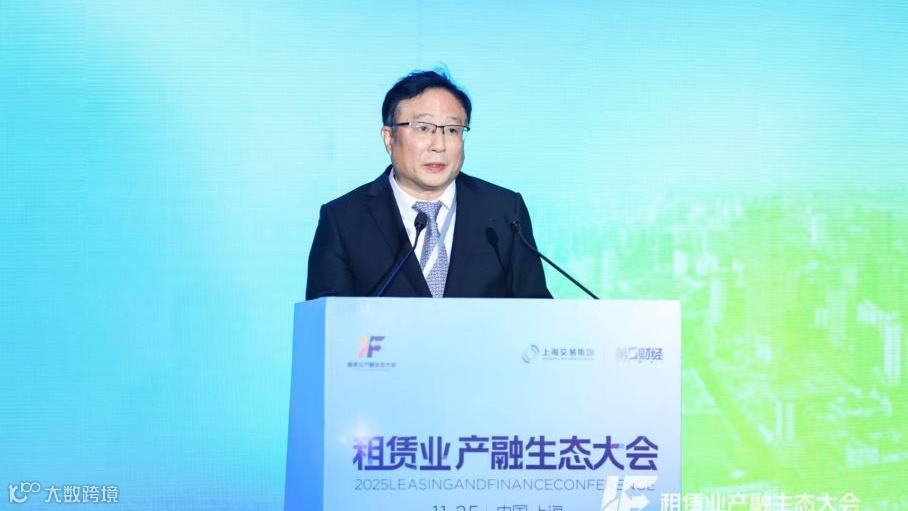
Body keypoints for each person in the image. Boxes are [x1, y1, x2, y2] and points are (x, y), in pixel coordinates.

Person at [306, 69, 551, 299]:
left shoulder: (503, 211)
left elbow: (536, 312)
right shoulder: (343, 219)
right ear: (389, 138)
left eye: (452, 130)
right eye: (423, 128)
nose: (439, 145)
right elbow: (325, 321)